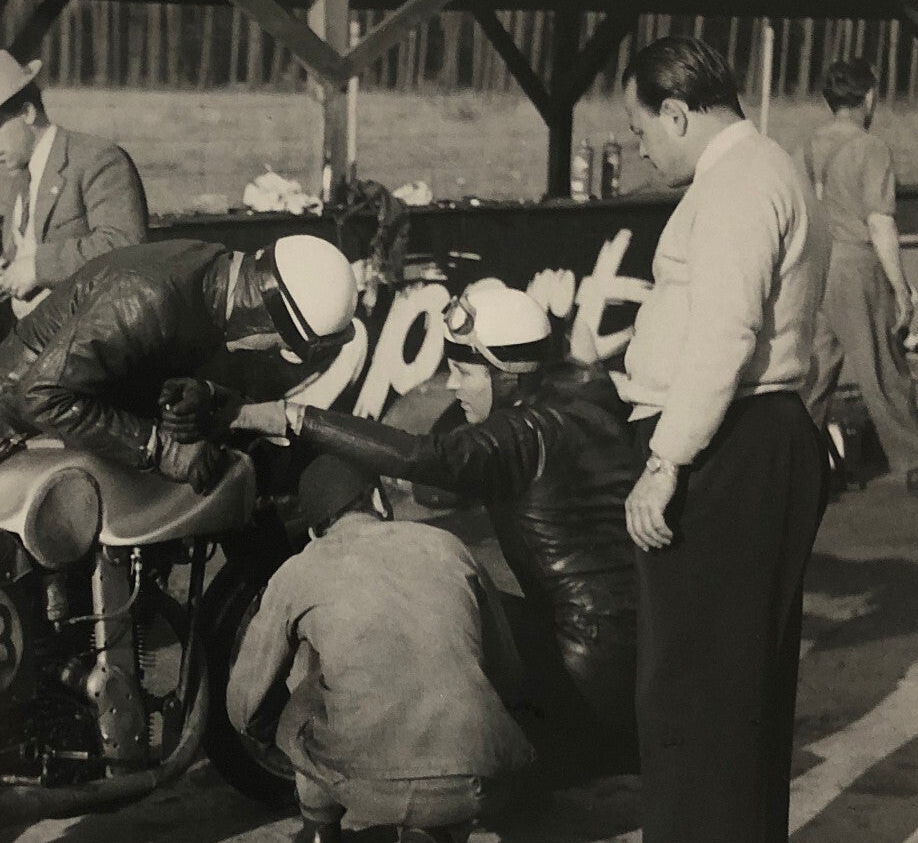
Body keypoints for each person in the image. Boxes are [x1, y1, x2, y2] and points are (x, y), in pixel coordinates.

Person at [605, 36, 832, 843]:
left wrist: (666, 460)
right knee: (745, 684)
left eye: (641, 129)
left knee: (691, 689)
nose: (640, 149)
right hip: (760, 438)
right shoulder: (766, 169)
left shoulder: (737, 185)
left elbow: (728, 333)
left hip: (730, 445)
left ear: (680, 111)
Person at [230, 282, 641, 776]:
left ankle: (419, 778)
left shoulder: (521, 435)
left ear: (508, 376)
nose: (451, 384)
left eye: (464, 371)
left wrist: (288, 417)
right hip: (635, 656)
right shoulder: (586, 397)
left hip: (582, 677)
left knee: (430, 608)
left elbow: (422, 457)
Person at [226, 456, 534, 843]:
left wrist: (275, 740)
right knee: (457, 680)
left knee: (310, 680)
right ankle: (436, 840)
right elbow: (507, 669)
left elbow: (244, 702)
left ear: (314, 531)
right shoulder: (447, 545)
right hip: (477, 778)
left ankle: (320, 834)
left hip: (362, 778)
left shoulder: (297, 571)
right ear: (378, 501)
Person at [0, 233, 358, 536]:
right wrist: (161, 448)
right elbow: (42, 396)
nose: (267, 350)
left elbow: (125, 359)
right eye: (276, 342)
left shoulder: (212, 274)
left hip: (38, 432)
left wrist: (181, 394)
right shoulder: (150, 296)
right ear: (265, 311)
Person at [802, 57, 918, 495]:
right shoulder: (870, 148)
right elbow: (880, 224)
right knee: (884, 369)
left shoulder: (813, 142)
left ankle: (792, 466)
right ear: (869, 96)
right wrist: (901, 288)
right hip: (857, 266)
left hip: (817, 264)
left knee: (816, 374)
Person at [0, 49, 149, 313]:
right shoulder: (23, 177)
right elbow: (30, 249)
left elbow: (124, 244)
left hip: (91, 332)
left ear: (27, 113)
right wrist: (4, 269)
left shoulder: (97, 159)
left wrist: (37, 268)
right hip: (40, 333)